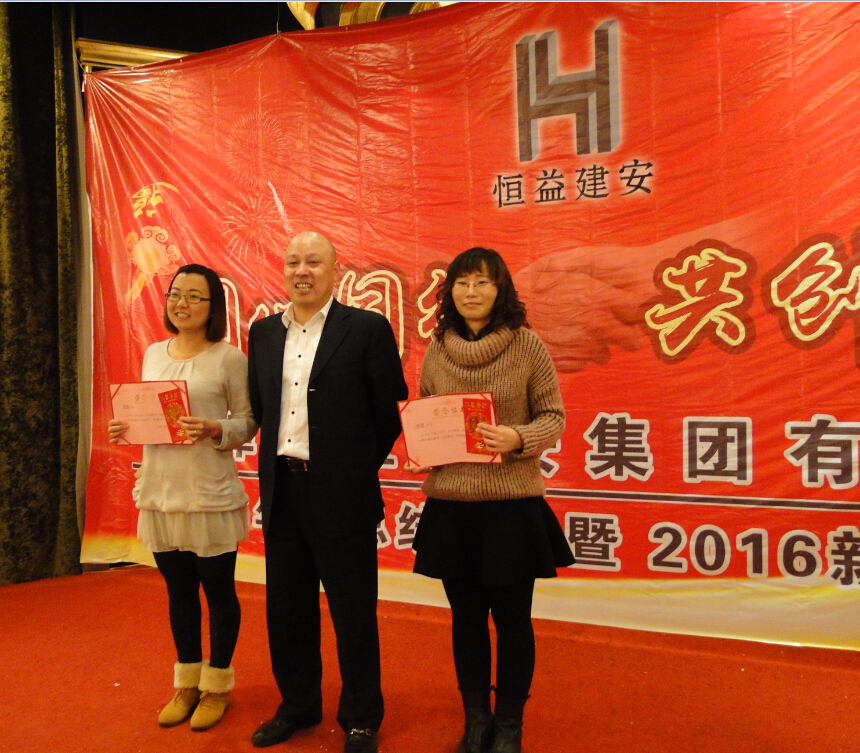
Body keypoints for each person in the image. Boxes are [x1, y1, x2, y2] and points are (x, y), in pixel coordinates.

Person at [407, 247, 574, 753]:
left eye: (482, 282)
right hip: (451, 507)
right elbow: (428, 414)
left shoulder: (527, 346)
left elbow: (553, 417)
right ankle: (476, 718)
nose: (471, 292)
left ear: (500, 291)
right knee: (465, 619)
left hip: (510, 508)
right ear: (449, 292)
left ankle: (509, 723)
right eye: (461, 283)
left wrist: (518, 437)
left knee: (512, 620)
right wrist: (423, 451)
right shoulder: (438, 348)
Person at [247, 230, 408, 753]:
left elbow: (388, 414)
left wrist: (348, 469)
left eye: (314, 262)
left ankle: (361, 716)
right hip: (283, 491)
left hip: (343, 494)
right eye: (293, 261)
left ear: (336, 270)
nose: (302, 271)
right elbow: (262, 408)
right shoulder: (263, 333)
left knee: (352, 611)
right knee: (287, 609)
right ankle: (298, 704)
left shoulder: (366, 329)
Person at [108, 263, 257, 731]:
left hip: (208, 492)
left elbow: (249, 421)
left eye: (195, 296)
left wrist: (215, 428)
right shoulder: (154, 352)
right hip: (161, 490)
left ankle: (217, 686)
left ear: (213, 307)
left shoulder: (229, 358)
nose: (182, 303)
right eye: (176, 294)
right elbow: (147, 414)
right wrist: (124, 426)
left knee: (218, 592)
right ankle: (187, 683)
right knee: (178, 593)